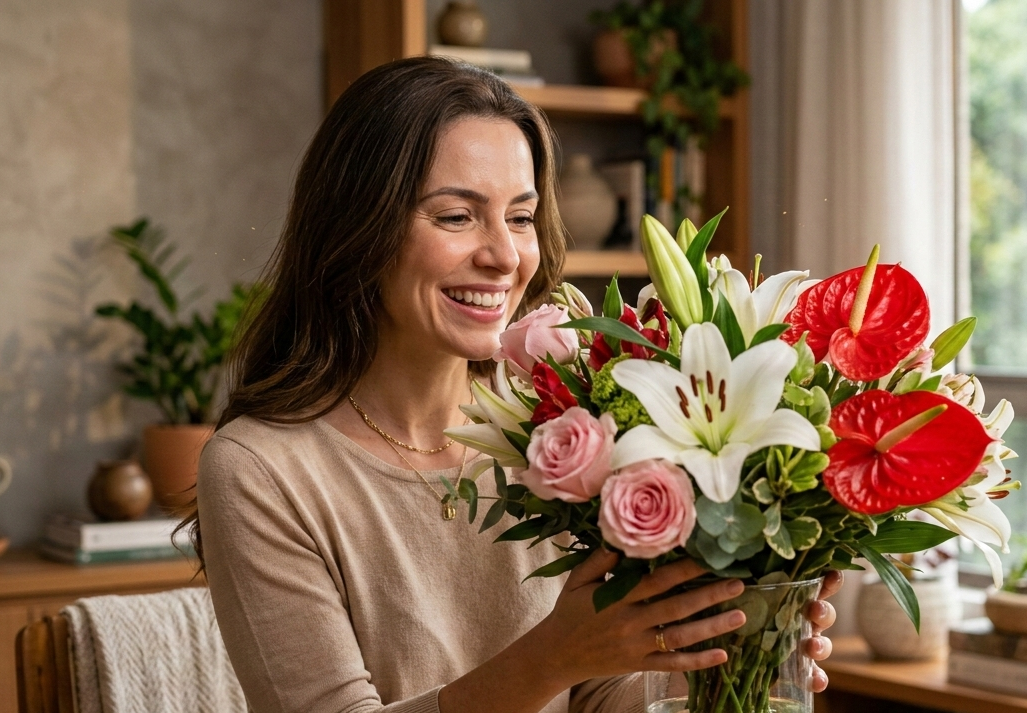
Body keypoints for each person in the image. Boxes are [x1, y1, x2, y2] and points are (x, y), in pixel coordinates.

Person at [189, 56, 841, 713]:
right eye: (456, 217)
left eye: (521, 217)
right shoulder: (260, 468)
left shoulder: (556, 421)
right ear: (359, 227)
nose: (504, 255)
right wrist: (554, 655)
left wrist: (722, 657)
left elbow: (599, 691)